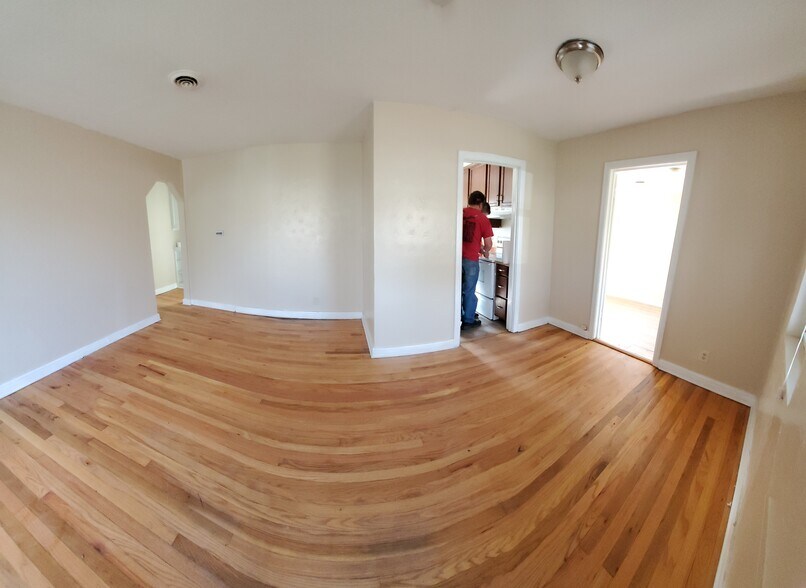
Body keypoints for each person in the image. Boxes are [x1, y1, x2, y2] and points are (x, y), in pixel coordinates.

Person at [461, 191, 493, 328]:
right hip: (471, 261)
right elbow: (488, 243)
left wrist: (479, 247)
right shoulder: (482, 218)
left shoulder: (460, 213)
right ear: (481, 204)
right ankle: (468, 320)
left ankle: (458, 316)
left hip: (455, 258)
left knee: (457, 289)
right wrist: (485, 251)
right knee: (469, 290)